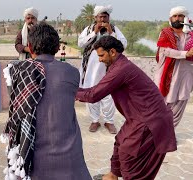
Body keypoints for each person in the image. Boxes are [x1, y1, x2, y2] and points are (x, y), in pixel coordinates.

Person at [76, 36, 177, 180]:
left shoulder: (121, 69)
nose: (99, 60)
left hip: (150, 122)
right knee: (120, 143)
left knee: (131, 162)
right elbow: (94, 90)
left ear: (112, 52)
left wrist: (69, 89)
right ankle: (111, 177)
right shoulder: (118, 66)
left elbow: (93, 95)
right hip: (138, 118)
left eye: (101, 55)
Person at [1, 22, 92, 180]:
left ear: (29, 45)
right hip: (70, 160)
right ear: (57, 47)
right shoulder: (71, 73)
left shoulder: (15, 72)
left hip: (30, 160)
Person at [78, 5, 127, 134]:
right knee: (92, 91)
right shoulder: (89, 29)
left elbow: (123, 45)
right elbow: (81, 43)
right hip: (91, 69)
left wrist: (111, 33)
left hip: (109, 68)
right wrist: (94, 32)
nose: (102, 19)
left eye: (105, 17)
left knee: (109, 94)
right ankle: (94, 120)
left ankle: (109, 121)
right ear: (95, 18)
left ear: (108, 17)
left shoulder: (114, 29)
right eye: (100, 17)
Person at [155, 6, 193, 127]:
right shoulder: (165, 33)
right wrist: (185, 54)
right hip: (167, 76)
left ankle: (169, 133)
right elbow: (166, 51)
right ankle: (160, 133)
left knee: (181, 102)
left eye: (180, 16)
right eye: (175, 16)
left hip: (186, 74)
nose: (177, 18)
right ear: (170, 19)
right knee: (164, 105)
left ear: (185, 17)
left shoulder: (191, 34)